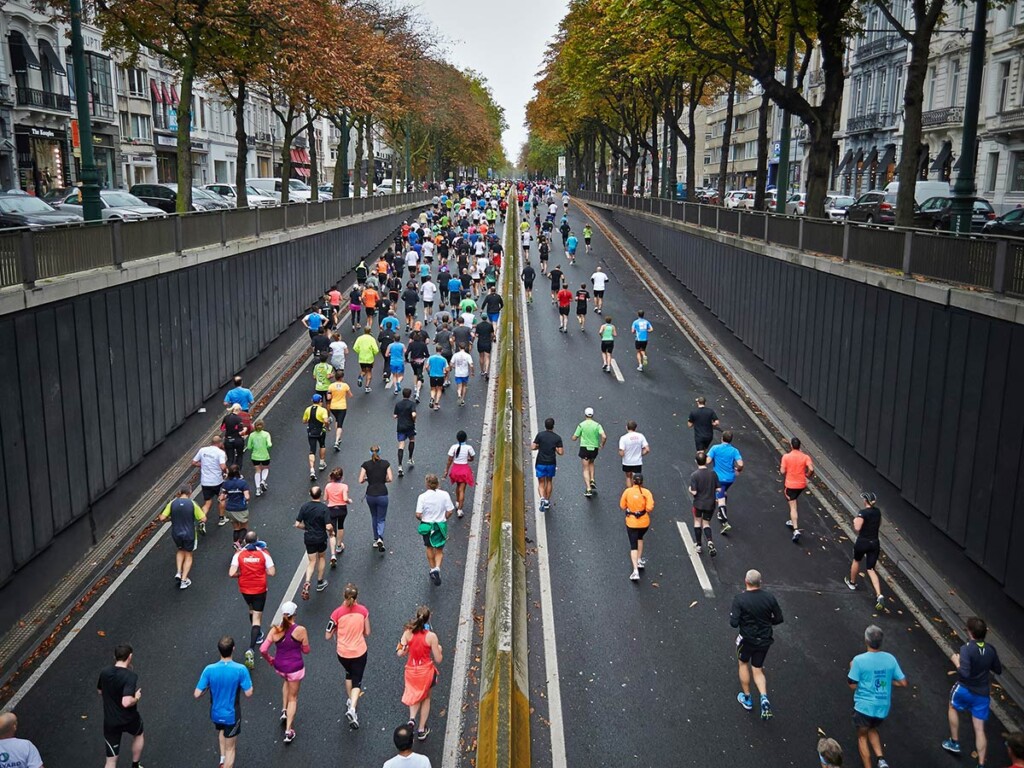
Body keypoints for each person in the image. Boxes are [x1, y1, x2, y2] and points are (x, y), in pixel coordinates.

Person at [943, 616, 1003, 767]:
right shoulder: (991, 650)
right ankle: (981, 764)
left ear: (970, 632)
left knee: (952, 706)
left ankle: (954, 742)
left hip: (964, 689)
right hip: (982, 695)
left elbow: (964, 673)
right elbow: (998, 670)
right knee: (979, 729)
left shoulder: (966, 649)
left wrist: (956, 661)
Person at [848, 625, 907, 768]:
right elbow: (903, 682)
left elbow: (852, 684)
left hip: (864, 708)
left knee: (862, 737)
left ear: (866, 640)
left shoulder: (858, 661)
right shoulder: (890, 659)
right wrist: (887, 681)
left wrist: (853, 669)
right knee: (872, 728)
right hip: (882, 708)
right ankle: (881, 760)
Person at [730, 569, 783, 720]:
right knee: (757, 669)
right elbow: (779, 618)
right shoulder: (770, 598)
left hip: (747, 639)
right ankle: (764, 697)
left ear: (745, 581)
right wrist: (767, 623)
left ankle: (747, 699)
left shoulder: (740, 599)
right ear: (760, 582)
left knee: (743, 664)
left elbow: (733, 623)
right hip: (764, 640)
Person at [193, 637, 253, 768]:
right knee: (231, 748)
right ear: (233, 649)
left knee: (221, 731)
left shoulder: (209, 669)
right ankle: (226, 763)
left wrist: (208, 687)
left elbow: (197, 694)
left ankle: (222, 759)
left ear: (219, 650)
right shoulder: (241, 669)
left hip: (215, 714)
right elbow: (249, 693)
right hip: (231, 715)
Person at [260, 602, 310, 743]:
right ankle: (288, 731)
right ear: (295, 614)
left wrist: (270, 660)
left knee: (286, 682)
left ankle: (283, 710)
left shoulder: (275, 630)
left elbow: (263, 649)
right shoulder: (300, 630)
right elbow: (306, 650)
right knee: (293, 698)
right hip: (295, 668)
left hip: (280, 667)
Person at [229, 531, 276, 670]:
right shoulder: (263, 554)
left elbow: (231, 573)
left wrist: (240, 574)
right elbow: (272, 572)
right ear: (257, 540)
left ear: (244, 541)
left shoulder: (239, 555)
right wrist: (262, 570)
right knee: (257, 617)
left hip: (245, 589)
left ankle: (258, 634)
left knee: (250, 609)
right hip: (259, 589)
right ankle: (251, 648)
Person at [327, 583, 371, 730]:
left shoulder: (336, 613)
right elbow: (367, 632)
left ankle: (349, 699)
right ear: (357, 597)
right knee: (357, 681)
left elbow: (327, 634)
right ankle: (352, 708)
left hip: (342, 653)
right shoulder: (363, 611)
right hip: (359, 651)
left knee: (349, 674)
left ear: (344, 597)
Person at [397, 606, 444, 742]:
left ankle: (412, 719)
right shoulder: (431, 636)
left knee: (414, 694)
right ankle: (421, 729)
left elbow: (400, 652)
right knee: (426, 697)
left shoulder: (407, 633)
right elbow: (438, 659)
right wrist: (439, 648)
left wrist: (404, 648)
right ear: (429, 618)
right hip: (426, 672)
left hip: (411, 671)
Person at [98, 643, 144, 768]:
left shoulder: (105, 672)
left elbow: (100, 691)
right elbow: (126, 702)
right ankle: (135, 765)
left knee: (111, 760)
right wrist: (136, 697)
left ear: (115, 657)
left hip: (111, 721)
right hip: (129, 719)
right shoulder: (130, 676)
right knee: (139, 734)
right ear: (130, 657)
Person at [158, 486, 205, 589]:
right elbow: (203, 518)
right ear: (190, 493)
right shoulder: (192, 504)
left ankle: (179, 572)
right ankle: (184, 580)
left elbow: (162, 518)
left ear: (179, 492)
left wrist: (172, 518)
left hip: (176, 533)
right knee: (189, 555)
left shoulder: (172, 503)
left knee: (180, 550)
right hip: (189, 534)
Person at [844, 492, 884, 611]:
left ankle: (852, 582)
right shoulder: (878, 512)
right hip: (874, 543)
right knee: (871, 569)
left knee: (856, 560)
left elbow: (857, 528)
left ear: (865, 501)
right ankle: (879, 594)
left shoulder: (863, 513)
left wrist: (856, 519)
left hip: (863, 542)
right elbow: (879, 524)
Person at [416, 474, 455, 586]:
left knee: (429, 547)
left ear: (427, 484)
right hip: (440, 525)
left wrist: (422, 519)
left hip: (428, 525)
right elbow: (450, 510)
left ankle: (432, 568)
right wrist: (445, 518)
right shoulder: (444, 494)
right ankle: (437, 568)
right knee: (439, 549)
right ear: (438, 484)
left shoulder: (422, 497)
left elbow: (418, 514)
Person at [295, 486, 333, 599]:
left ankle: (307, 581)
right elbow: (328, 526)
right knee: (321, 557)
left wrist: (306, 528)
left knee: (311, 561)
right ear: (321, 495)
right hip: (321, 537)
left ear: (310, 494)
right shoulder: (324, 508)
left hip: (309, 538)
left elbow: (297, 524)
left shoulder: (304, 507)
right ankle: (320, 582)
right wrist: (331, 532)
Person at [708, 431, 744, 535]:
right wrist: (738, 470)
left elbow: (708, 461)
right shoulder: (734, 451)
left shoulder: (715, 448)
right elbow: (740, 464)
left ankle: (725, 522)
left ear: (721, 438)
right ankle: (721, 512)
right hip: (730, 478)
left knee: (720, 499)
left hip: (718, 478)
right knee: (723, 493)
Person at [620, 473, 654, 582]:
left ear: (633, 481)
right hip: (644, 522)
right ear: (642, 482)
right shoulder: (646, 492)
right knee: (640, 538)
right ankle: (639, 559)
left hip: (632, 522)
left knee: (633, 545)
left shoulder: (628, 491)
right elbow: (649, 508)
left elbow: (622, 506)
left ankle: (635, 571)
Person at [780, 437, 814, 543]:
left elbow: (782, 471)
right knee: (794, 501)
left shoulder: (786, 457)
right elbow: (811, 469)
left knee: (793, 506)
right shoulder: (805, 457)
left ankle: (795, 529)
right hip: (801, 484)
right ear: (800, 446)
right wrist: (807, 475)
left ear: (791, 446)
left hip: (790, 485)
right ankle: (792, 521)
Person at [360, 445, 393, 552]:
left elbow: (360, 480)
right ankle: (380, 537)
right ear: (380, 452)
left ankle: (375, 538)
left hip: (370, 494)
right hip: (382, 493)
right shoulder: (385, 464)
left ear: (370, 453)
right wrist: (382, 480)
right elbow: (390, 479)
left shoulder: (366, 465)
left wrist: (367, 479)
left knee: (374, 516)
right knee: (381, 518)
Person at [192, 435, 227, 528]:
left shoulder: (202, 450)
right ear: (220, 443)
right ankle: (221, 518)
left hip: (205, 481)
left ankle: (202, 520)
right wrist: (225, 472)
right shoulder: (220, 453)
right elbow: (223, 466)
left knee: (207, 502)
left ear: (211, 442)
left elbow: (194, 462)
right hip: (217, 481)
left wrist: (202, 465)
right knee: (221, 498)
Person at [572, 407, 607, 498]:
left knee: (585, 468)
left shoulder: (581, 425)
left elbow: (574, 437)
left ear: (585, 414)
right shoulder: (597, 425)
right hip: (594, 448)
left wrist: (575, 437)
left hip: (584, 448)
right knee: (591, 462)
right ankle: (592, 479)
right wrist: (602, 444)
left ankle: (588, 488)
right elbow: (604, 436)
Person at [689, 451, 719, 556]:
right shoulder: (713, 474)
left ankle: (699, 545)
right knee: (706, 524)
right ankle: (710, 541)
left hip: (698, 503)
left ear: (696, 461)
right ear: (706, 460)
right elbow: (719, 489)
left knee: (697, 522)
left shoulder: (694, 475)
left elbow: (694, 492)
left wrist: (690, 489)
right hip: (710, 504)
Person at [532, 417, 564, 511]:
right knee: (549, 481)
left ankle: (542, 498)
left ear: (545, 426)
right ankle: (547, 500)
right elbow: (561, 452)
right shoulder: (557, 438)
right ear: (553, 426)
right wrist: (555, 448)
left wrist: (539, 447)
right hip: (551, 463)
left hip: (540, 462)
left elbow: (533, 447)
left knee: (541, 482)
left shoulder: (540, 435)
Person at [444, 430, 475, 518]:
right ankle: (460, 510)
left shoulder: (453, 447)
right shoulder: (469, 448)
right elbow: (472, 457)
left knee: (458, 486)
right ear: (466, 438)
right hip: (464, 470)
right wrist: (468, 459)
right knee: (462, 489)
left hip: (455, 470)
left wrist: (446, 470)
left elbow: (450, 460)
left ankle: (457, 502)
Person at [219, 465, 251, 550]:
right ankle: (238, 543)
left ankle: (236, 544)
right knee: (244, 526)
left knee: (236, 527)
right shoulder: (243, 483)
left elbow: (221, 497)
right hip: (241, 508)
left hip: (229, 509)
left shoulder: (226, 483)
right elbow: (247, 496)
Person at [325, 467, 351, 566]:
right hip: (342, 509)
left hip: (331, 509)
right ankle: (339, 546)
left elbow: (325, 498)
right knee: (341, 526)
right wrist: (349, 501)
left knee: (332, 532)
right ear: (341, 477)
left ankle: (332, 555)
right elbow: (345, 498)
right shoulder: (344, 486)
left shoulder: (328, 486)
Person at [302, 395, 330, 481]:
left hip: (311, 432)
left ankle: (312, 470)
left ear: (312, 400)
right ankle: (321, 463)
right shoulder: (323, 410)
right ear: (320, 401)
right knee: (322, 445)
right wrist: (327, 426)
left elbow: (304, 421)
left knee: (312, 450)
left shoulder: (308, 409)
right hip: (321, 431)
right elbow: (325, 420)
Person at [618, 421, 650, 488]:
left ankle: (630, 492)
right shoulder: (640, 436)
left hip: (627, 462)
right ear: (635, 428)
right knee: (637, 477)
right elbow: (647, 449)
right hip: (637, 461)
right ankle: (638, 492)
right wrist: (641, 454)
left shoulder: (623, 438)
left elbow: (621, 452)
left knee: (628, 477)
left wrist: (622, 454)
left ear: (626, 427)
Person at [327, 369, 353, 451]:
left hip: (333, 407)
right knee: (340, 424)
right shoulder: (345, 386)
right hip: (342, 407)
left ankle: (338, 437)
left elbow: (328, 397)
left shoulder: (331, 386)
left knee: (337, 420)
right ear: (342, 377)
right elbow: (350, 395)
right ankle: (336, 441)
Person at [394, 388, 417, 477]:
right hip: (410, 426)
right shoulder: (412, 404)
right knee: (412, 440)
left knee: (401, 445)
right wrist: (414, 420)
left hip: (400, 427)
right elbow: (414, 414)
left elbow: (395, 415)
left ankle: (400, 466)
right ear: (410, 395)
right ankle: (410, 458)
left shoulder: (398, 404)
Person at [245, 420, 272, 496]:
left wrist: (254, 447)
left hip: (255, 456)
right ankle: (263, 481)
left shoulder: (252, 435)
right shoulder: (266, 434)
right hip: (265, 455)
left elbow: (249, 447)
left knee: (257, 471)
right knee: (265, 468)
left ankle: (257, 489)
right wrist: (265, 447)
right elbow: (269, 444)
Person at [353, 326, 380, 393]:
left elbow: (355, 347)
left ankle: (360, 377)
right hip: (369, 358)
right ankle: (367, 386)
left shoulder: (359, 338)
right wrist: (373, 353)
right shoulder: (371, 339)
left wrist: (360, 352)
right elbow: (376, 350)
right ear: (370, 331)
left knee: (363, 370)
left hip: (361, 358)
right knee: (369, 371)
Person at [426, 344, 450, 411]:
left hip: (432, 375)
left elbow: (426, 367)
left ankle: (432, 398)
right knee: (439, 389)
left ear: (436, 350)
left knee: (433, 389)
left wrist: (429, 372)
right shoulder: (443, 359)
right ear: (441, 351)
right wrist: (446, 373)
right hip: (440, 376)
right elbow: (447, 369)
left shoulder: (431, 358)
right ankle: (436, 404)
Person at [451, 343, 474, 407]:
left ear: (459, 348)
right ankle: (462, 399)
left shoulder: (455, 355)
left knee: (459, 386)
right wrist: (472, 372)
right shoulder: (468, 355)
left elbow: (451, 363)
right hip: (465, 373)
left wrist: (454, 367)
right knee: (464, 386)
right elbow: (471, 365)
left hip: (458, 373)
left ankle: (459, 394)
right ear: (465, 348)